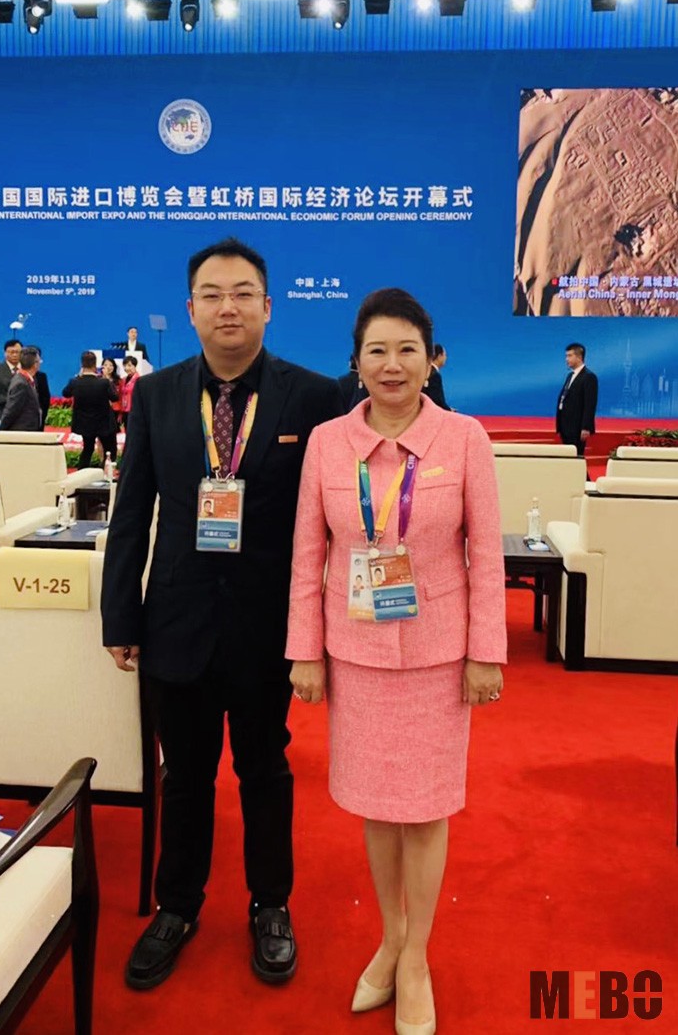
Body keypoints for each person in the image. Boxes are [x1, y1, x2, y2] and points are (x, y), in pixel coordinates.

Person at [100, 238, 342, 993]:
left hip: (269, 625)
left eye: (242, 294)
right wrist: (120, 617)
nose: (227, 307)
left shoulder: (314, 397)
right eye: (212, 294)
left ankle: (271, 905)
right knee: (186, 775)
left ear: (268, 307)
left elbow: (335, 518)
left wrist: (323, 630)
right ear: (190, 309)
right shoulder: (158, 394)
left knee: (265, 769)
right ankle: (177, 907)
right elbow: (132, 511)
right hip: (177, 620)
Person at [287, 288, 507, 1035]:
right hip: (355, 654)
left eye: (407, 349)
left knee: (426, 807)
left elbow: (487, 556)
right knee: (377, 806)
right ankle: (390, 937)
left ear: (430, 359)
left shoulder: (465, 439)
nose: (392, 364)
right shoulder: (327, 443)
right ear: (356, 363)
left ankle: (416, 961)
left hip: (440, 658)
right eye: (376, 350)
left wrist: (486, 653)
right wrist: (304, 652)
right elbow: (307, 555)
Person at [62, 352, 118, 469]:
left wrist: (78, 376)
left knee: (88, 449)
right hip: (103, 423)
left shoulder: (75, 382)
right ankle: (105, 473)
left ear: (81, 365)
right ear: (95, 365)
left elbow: (66, 393)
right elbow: (114, 397)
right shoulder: (104, 382)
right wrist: (107, 379)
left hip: (84, 423)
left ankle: (81, 473)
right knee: (109, 450)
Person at [555, 342, 598, 457]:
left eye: (569, 356)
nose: (566, 359)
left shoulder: (589, 377)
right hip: (566, 426)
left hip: (577, 427)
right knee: (569, 457)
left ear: (579, 357)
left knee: (576, 457)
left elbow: (590, 404)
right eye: (566, 356)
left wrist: (586, 427)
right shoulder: (570, 376)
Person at [0, 347, 42, 431]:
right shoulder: (21, 384)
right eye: (39, 361)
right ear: (35, 364)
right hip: (21, 431)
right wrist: (1, 431)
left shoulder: (25, 379)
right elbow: (11, 410)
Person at [426, 343, 451, 411]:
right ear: (439, 356)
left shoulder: (426, 371)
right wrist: (449, 410)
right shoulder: (435, 375)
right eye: (445, 355)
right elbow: (437, 400)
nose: (446, 358)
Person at [31, 346, 51, 429]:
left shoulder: (41, 376)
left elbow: (45, 397)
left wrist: (43, 414)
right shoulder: (18, 375)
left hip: (38, 417)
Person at [101, 357, 123, 429]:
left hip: (114, 411)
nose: (108, 367)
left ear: (114, 367)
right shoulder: (98, 379)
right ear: (102, 367)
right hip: (101, 410)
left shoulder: (119, 380)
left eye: (111, 365)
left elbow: (120, 396)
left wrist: (120, 413)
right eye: (106, 365)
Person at [119, 356, 139, 433]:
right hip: (124, 411)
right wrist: (120, 413)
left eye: (129, 365)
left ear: (135, 366)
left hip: (134, 411)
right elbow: (120, 396)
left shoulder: (139, 380)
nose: (127, 368)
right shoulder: (123, 380)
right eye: (125, 366)